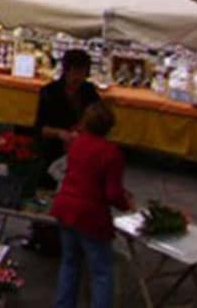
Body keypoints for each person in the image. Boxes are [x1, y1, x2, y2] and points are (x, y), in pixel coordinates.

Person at [50, 102, 133, 308]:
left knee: (69, 263)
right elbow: (113, 193)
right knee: (101, 271)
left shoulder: (76, 144)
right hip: (91, 215)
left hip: (65, 207)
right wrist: (127, 204)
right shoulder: (112, 153)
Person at [35, 49, 101, 175]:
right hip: (54, 147)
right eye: (74, 72)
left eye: (81, 73)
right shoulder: (50, 92)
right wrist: (60, 133)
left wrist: (82, 128)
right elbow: (40, 128)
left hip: (82, 146)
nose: (77, 77)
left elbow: (97, 117)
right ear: (66, 71)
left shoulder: (89, 90)